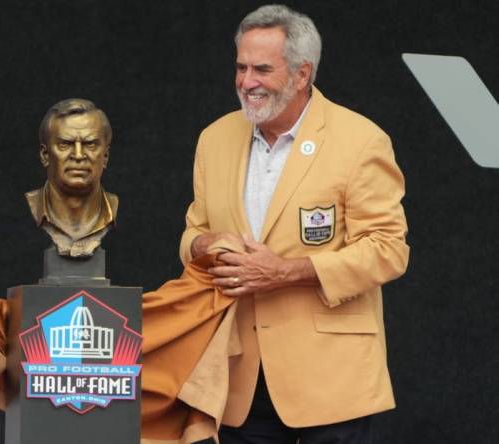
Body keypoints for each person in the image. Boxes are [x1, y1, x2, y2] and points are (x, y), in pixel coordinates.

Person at [179, 5, 409, 443]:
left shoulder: (360, 140)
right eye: (241, 67)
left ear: (303, 75)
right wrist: (203, 244)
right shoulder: (214, 138)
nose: (247, 82)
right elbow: (192, 233)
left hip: (332, 381)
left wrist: (285, 272)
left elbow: (387, 249)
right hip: (239, 378)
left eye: (263, 69)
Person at [25, 98, 118, 257]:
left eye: (90, 144)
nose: (78, 155)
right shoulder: (33, 204)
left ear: (106, 156)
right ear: (45, 155)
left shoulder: (112, 209)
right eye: (64, 145)